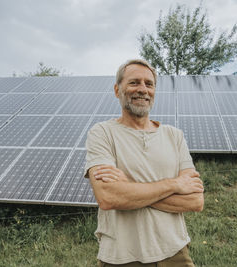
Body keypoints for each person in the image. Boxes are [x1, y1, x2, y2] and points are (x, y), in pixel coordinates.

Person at [84, 59, 204, 266]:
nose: (142, 89)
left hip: (175, 252)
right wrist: (174, 185)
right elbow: (108, 197)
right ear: (117, 90)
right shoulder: (102, 133)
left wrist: (128, 189)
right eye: (134, 83)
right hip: (121, 256)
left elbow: (194, 201)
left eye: (149, 84)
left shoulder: (174, 136)